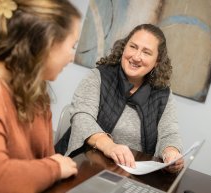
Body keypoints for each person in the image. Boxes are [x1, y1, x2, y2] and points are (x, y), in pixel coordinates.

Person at [0, 0, 81, 193]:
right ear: (47, 43)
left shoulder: (36, 93)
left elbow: (48, 158)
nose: (72, 57)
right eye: (72, 46)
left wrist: (53, 166)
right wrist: (54, 168)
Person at [66, 24, 184, 173]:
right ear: (124, 48)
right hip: (86, 166)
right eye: (133, 47)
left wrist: (171, 152)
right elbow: (82, 117)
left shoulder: (163, 94)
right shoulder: (99, 76)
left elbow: (169, 133)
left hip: (133, 173)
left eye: (146, 52)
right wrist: (109, 146)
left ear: (157, 61)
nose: (136, 57)